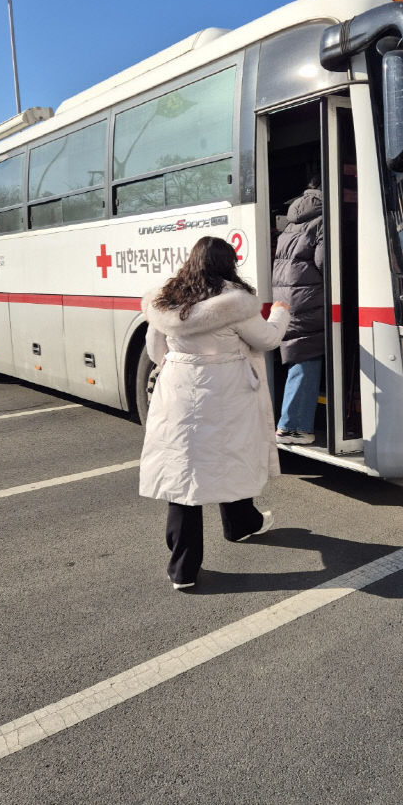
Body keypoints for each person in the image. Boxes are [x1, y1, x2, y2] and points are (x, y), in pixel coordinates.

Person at [139, 236, 290, 590]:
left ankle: (183, 569)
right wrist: (281, 312)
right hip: (226, 394)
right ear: (228, 263)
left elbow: (154, 348)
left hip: (177, 392)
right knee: (230, 457)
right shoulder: (234, 304)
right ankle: (239, 525)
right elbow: (267, 340)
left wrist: (182, 364)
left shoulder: (167, 301)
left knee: (183, 473)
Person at [272, 172, 324, 445]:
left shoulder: (291, 223)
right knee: (307, 359)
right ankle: (293, 427)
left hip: (288, 298)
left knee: (299, 357)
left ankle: (292, 422)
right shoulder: (322, 219)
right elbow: (325, 261)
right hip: (309, 298)